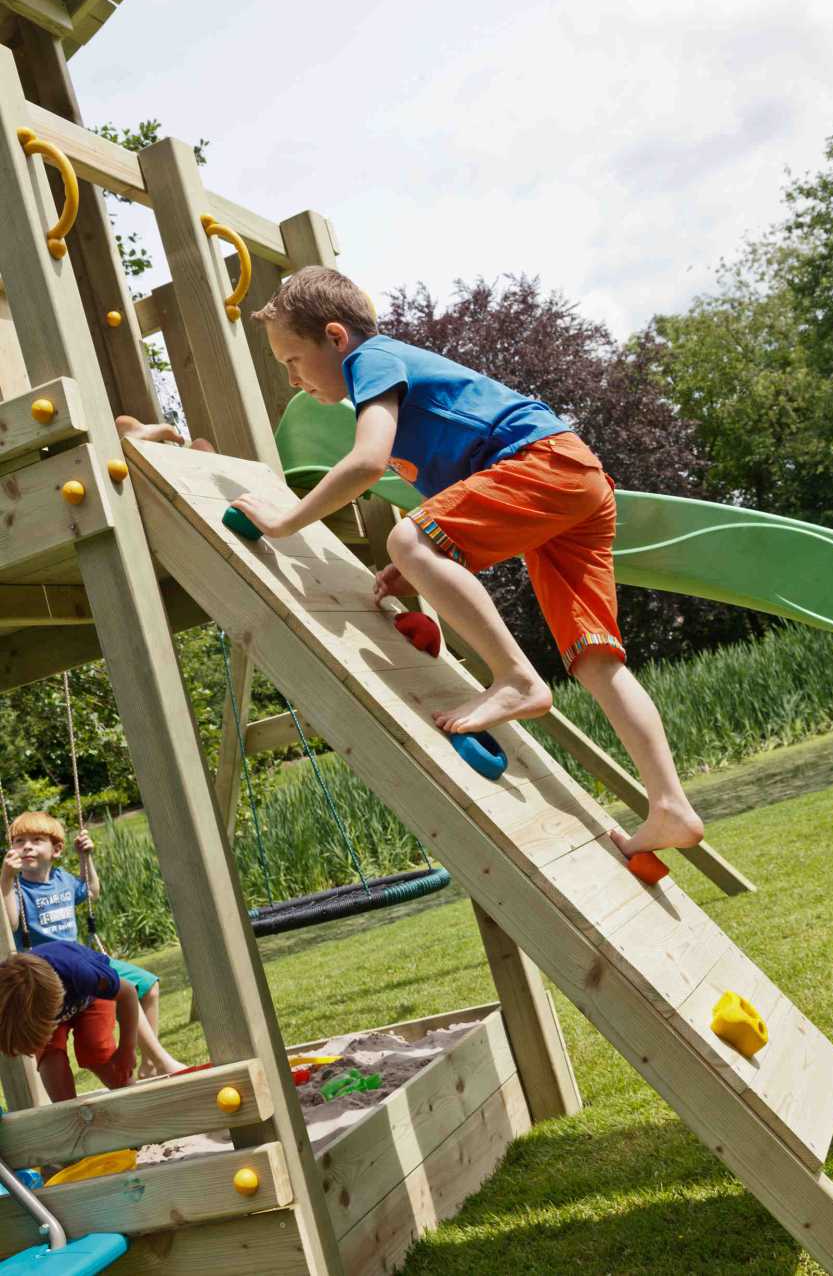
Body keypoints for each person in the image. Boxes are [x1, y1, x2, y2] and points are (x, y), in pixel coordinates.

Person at [116, 268, 702, 861]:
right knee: (596, 659)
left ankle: (517, 680)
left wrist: (289, 520)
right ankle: (670, 806)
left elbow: (367, 462)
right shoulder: (396, 385)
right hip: (576, 480)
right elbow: (457, 489)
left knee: (407, 539)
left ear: (337, 337)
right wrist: (419, 559)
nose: (292, 378)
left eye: (293, 359)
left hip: (542, 462)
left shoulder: (371, 362)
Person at [1, 811, 184, 1077]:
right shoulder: (17, 889)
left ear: (56, 850)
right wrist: (5, 877)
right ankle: (161, 1062)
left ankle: (150, 1063)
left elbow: (91, 891)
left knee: (148, 986)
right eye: (19, 841)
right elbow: (11, 922)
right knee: (55, 1045)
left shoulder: (62, 879)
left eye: (37, 839)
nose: (26, 846)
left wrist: (86, 858)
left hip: (79, 960)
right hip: (46, 973)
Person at [0, 939, 137, 1101]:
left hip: (91, 998)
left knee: (95, 1047)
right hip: (37, 1007)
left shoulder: (82, 972)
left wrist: (127, 1049)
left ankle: (131, 1097)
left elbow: (128, 993)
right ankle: (67, 1110)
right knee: (49, 1053)